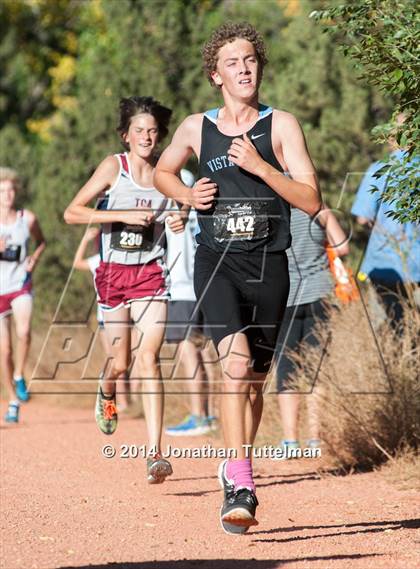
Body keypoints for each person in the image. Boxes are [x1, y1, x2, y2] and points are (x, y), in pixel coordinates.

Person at [154, 23, 322, 532]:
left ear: (259, 68)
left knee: (253, 384)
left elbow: (311, 201)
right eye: (232, 62)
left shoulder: (282, 126)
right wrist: (185, 196)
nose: (244, 68)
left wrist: (264, 169)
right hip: (217, 262)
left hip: (271, 265)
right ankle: (241, 483)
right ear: (215, 75)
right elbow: (164, 171)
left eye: (250, 59)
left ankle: (234, 460)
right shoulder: (194, 127)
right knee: (236, 365)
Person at [64, 96, 185, 484]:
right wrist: (121, 214)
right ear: (126, 136)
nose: (147, 137)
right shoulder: (114, 168)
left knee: (149, 358)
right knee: (122, 362)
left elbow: (181, 210)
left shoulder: (169, 171)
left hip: (151, 273)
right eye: (139, 131)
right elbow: (72, 212)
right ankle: (107, 386)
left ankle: (155, 454)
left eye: (152, 131)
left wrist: (179, 220)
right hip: (114, 275)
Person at [274, 207, 349, 458]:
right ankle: (315, 440)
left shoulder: (273, 212)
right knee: (317, 368)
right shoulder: (320, 212)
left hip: (285, 297)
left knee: (286, 368)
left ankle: (290, 441)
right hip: (320, 292)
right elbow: (343, 248)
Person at [164, 180, 217, 436]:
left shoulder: (173, 206)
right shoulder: (201, 203)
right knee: (206, 352)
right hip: (206, 283)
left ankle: (198, 416)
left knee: (189, 355)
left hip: (183, 287)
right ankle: (211, 414)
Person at [352, 145, 419, 326]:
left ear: (391, 139)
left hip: (384, 261)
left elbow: (362, 218)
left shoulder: (379, 168)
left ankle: (396, 353)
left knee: (387, 324)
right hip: (417, 261)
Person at [0, 167, 46, 422]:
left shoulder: (26, 218)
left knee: (24, 331)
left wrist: (34, 259)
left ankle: (19, 375)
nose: (7, 195)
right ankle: (12, 400)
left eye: (10, 190)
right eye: (2, 191)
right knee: (4, 350)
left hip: (20, 285)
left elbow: (42, 241)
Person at [72, 226, 130, 411]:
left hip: (130, 316)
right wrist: (85, 239)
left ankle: (128, 400)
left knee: (133, 359)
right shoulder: (97, 260)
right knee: (115, 359)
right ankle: (119, 402)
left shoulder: (127, 258)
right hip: (105, 318)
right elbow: (77, 263)